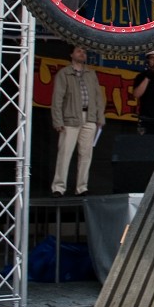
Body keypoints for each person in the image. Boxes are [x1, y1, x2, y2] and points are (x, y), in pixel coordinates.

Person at [51, 45, 105, 197]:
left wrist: (100, 117)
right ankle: (58, 187)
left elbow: (98, 97)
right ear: (71, 54)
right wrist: (57, 120)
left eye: (84, 52)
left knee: (86, 154)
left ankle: (81, 187)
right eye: (79, 51)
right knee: (65, 153)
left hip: (89, 117)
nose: (82, 54)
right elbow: (57, 99)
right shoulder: (64, 73)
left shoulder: (91, 74)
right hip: (70, 117)